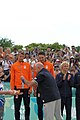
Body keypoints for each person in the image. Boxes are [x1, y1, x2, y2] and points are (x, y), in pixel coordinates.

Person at [10, 50, 32, 120]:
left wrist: (30, 88)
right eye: (20, 56)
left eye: (22, 56)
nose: (21, 57)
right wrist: (12, 89)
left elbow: (30, 77)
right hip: (17, 89)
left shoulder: (28, 65)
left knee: (27, 106)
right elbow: (12, 78)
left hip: (26, 88)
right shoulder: (14, 65)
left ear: (24, 57)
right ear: (17, 56)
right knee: (17, 107)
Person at [33, 51, 55, 120]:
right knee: (40, 107)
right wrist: (34, 89)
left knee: (48, 108)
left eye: (42, 57)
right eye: (39, 58)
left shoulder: (50, 65)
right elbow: (34, 79)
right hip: (39, 89)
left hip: (48, 90)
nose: (41, 59)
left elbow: (52, 77)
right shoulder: (36, 66)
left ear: (45, 57)